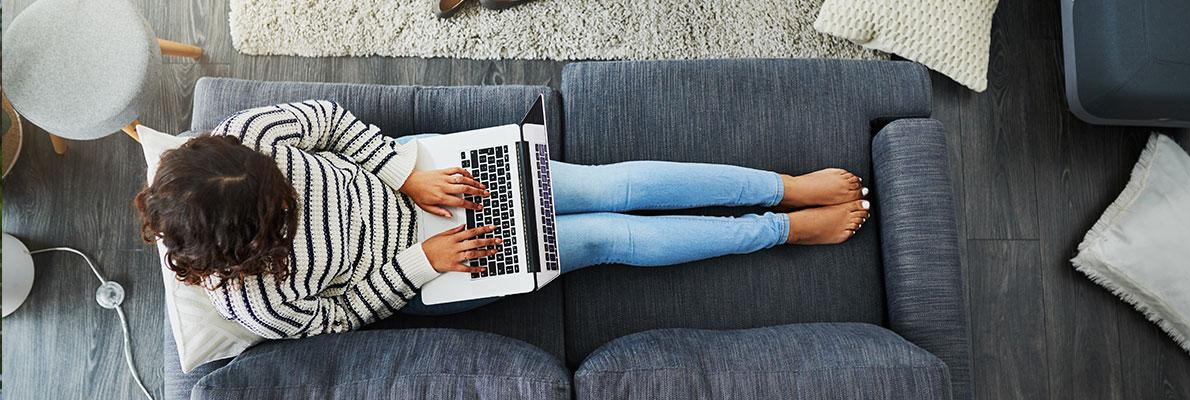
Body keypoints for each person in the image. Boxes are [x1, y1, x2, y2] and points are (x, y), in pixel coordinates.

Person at [135, 100, 870, 339]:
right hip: (434, 261)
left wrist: (405, 174)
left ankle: (786, 188)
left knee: (608, 185)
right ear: (259, 242)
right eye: (284, 210)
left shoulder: (243, 144)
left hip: (423, 176)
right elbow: (342, 312)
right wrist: (429, 262)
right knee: (607, 236)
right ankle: (784, 231)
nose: (290, 190)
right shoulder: (256, 302)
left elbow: (325, 121)